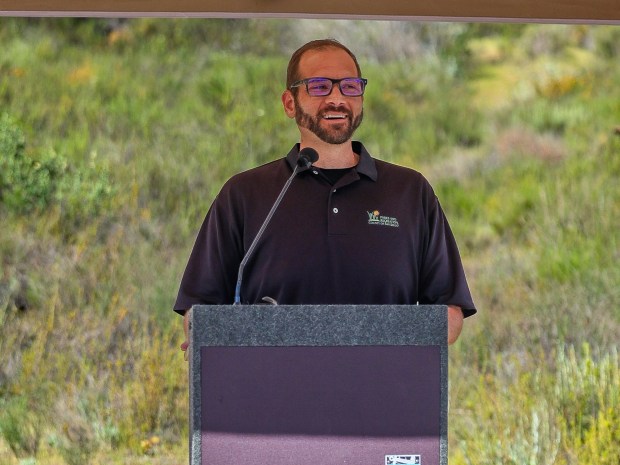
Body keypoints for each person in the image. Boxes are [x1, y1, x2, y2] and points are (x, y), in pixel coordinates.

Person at [175, 38, 476, 348]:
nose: (337, 98)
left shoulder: (411, 192)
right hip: (269, 393)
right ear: (290, 103)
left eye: (350, 86)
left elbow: (449, 312)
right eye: (319, 87)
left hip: (387, 392)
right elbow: (198, 313)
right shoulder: (243, 194)